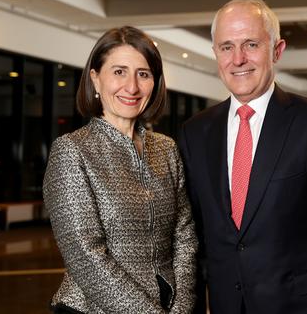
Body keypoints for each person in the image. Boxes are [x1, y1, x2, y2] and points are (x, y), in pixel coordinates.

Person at [178, 0, 307, 314]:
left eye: (251, 44)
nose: (238, 59)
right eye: (226, 47)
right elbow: (194, 238)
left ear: (277, 50)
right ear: (216, 53)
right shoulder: (195, 132)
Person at [43, 26, 197, 313]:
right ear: (95, 79)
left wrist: (182, 308)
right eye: (119, 72)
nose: (132, 87)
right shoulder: (72, 150)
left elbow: (185, 235)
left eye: (143, 74)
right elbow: (84, 255)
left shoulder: (166, 148)